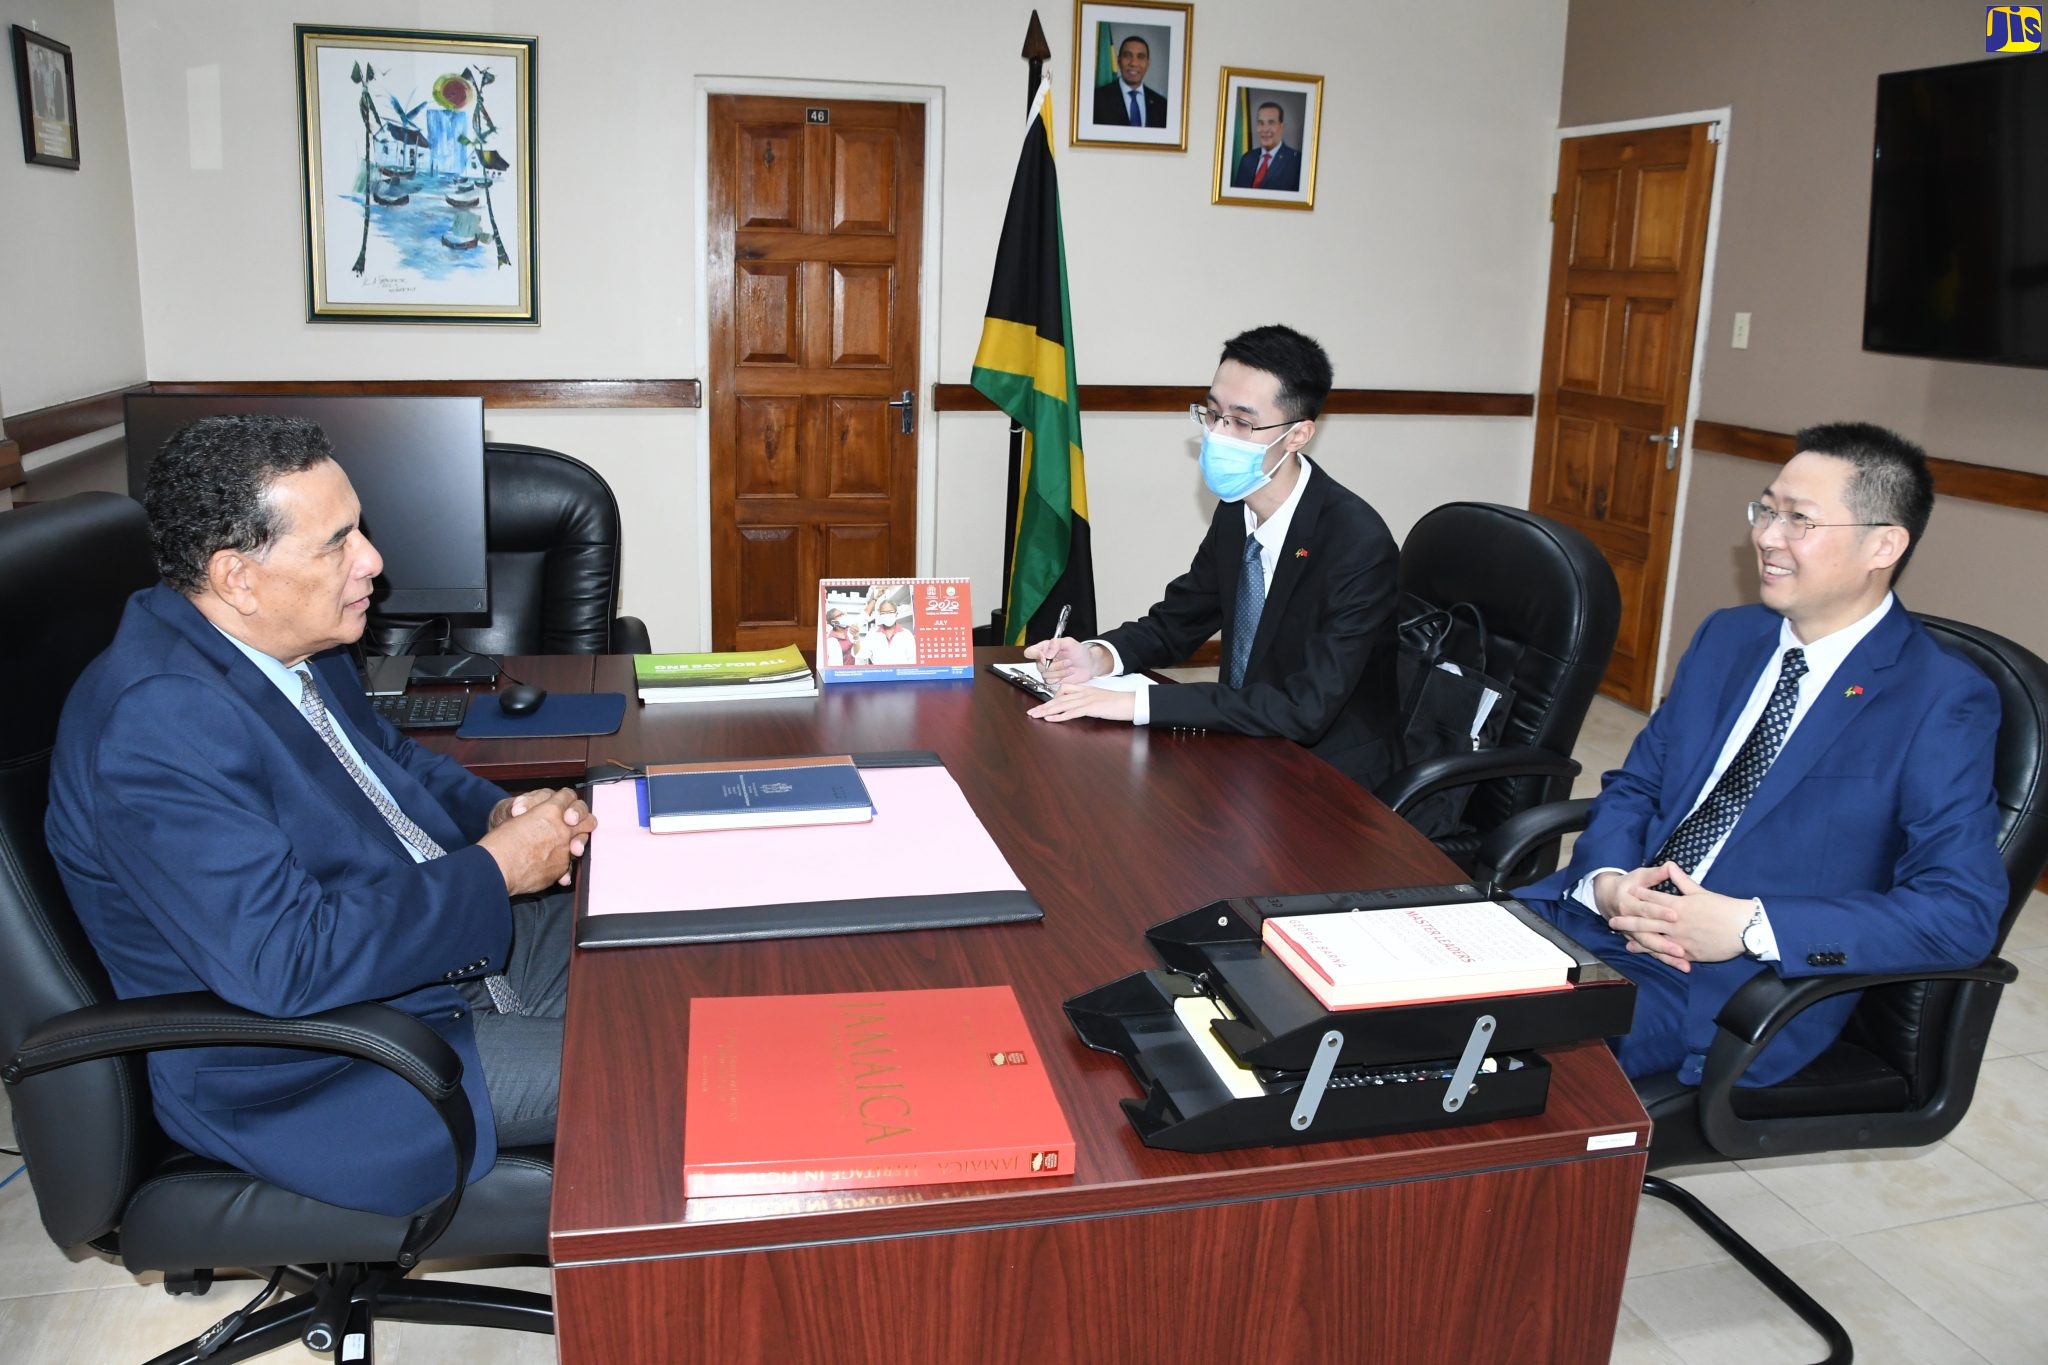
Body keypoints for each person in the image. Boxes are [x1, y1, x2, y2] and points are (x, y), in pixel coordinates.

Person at [45, 414, 596, 1218]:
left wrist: (500, 810)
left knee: (659, 945)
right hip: (327, 1065)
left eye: (359, 529)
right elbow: (286, 959)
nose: (372, 561)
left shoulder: (297, 641)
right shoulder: (156, 724)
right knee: (663, 1063)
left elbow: (392, 764)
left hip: (420, 954)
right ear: (237, 576)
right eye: (337, 544)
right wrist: (498, 869)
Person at [1516, 422, 2005, 1088]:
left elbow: (1960, 914)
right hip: (1593, 915)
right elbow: (1637, 786)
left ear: (1884, 545)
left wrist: (1748, 925)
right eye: (1767, 510)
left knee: (1478, 1045)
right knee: (1403, 983)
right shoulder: (1728, 636)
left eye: (1800, 520)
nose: (1768, 537)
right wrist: (1608, 882)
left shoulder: (1940, 698)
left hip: (1715, 986)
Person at [1024, 324, 1403, 791]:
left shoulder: (1357, 544)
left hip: (1332, 777)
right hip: (1246, 747)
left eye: (1242, 422)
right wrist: (1096, 657)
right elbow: (1177, 622)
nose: (1218, 434)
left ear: (1298, 435)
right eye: (1213, 413)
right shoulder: (1237, 510)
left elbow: (1305, 709)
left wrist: (1138, 704)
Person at [1092, 35, 1168, 128]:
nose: (1134, 63)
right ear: (1119, 61)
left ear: (1148, 64)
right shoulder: (1097, 100)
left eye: (1140, 57)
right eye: (1127, 56)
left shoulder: (1162, 105)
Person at [1230, 102, 1301, 191]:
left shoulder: (1296, 161)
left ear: (1281, 127)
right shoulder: (1247, 158)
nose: (1265, 129)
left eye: (1271, 123)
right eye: (1261, 123)